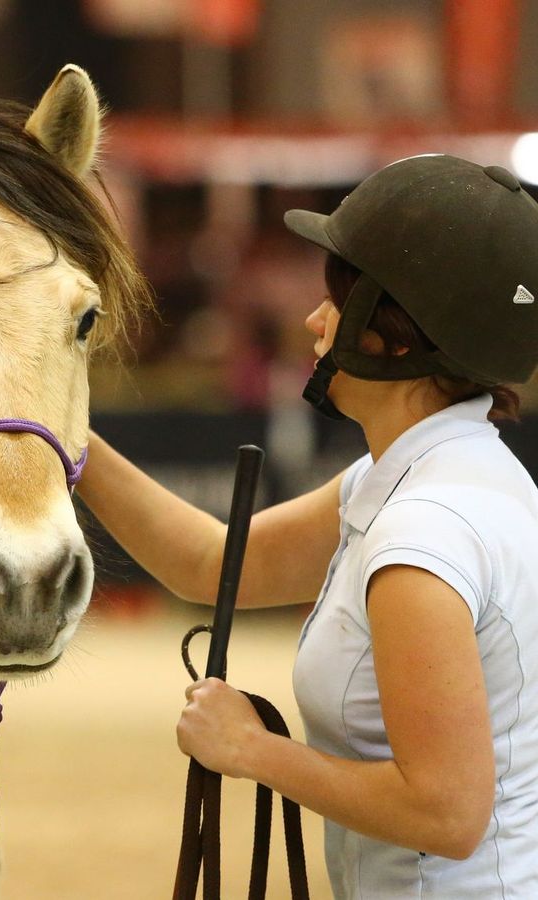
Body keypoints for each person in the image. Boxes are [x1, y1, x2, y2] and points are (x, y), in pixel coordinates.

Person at [78, 154, 538, 897]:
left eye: (336, 300)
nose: (312, 320)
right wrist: (67, 436)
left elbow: (448, 811)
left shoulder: (421, 537)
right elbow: (212, 564)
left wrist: (253, 752)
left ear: (392, 335)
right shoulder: (423, 476)